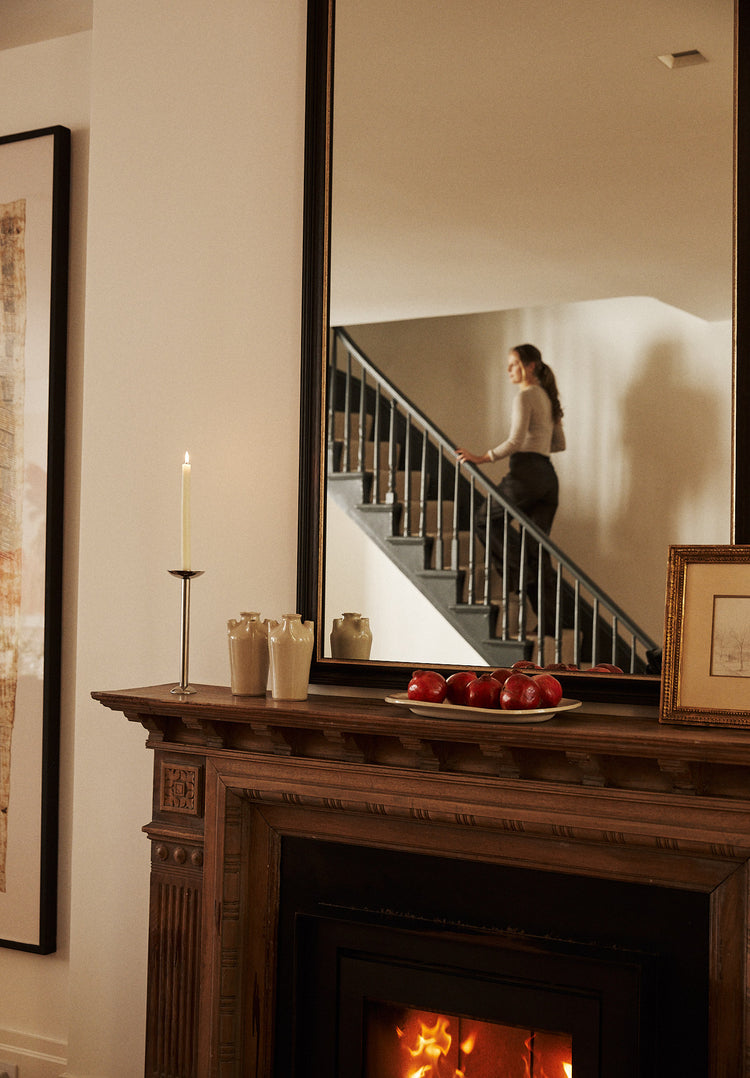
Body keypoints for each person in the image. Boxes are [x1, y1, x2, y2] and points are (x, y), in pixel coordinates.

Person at [456, 343, 566, 635]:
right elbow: (559, 444)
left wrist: (482, 457)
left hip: (526, 473)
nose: (509, 370)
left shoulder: (526, 396)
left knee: (483, 519)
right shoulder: (548, 397)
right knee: (537, 548)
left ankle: (519, 574)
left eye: (514, 364)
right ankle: (550, 626)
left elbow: (516, 441)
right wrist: (541, 435)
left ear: (530, 366)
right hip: (548, 477)